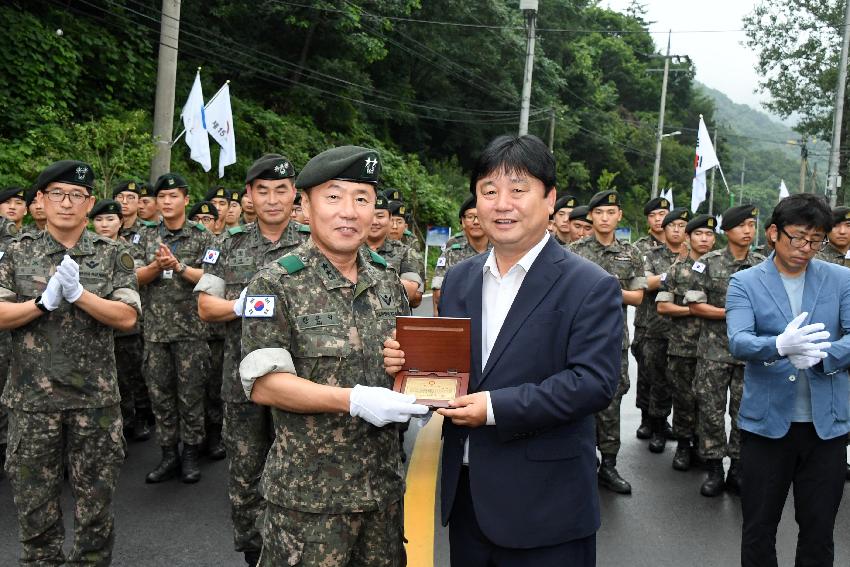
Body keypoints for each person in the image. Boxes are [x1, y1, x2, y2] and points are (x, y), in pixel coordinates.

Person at [386, 134, 622, 565]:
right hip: (468, 500)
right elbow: (452, 369)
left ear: (549, 199)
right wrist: (408, 368)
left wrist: (494, 408)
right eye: (489, 191)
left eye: (518, 189)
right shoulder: (459, 279)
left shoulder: (590, 284)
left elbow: (594, 383)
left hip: (547, 509)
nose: (501, 203)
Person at [240, 145, 426, 566]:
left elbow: (398, 365)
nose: (349, 211)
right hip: (308, 503)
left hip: (382, 495)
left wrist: (415, 383)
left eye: (362, 198)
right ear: (304, 207)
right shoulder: (275, 283)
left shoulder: (388, 284)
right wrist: (353, 399)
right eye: (334, 196)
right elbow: (265, 384)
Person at [0, 160, 140, 565]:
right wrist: (40, 304)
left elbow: (128, 316)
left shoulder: (114, 254)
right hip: (32, 403)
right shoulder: (17, 253)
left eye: (76, 195)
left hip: (93, 403)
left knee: (95, 511)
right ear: (40, 201)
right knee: (34, 510)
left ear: (89, 202)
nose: (66, 203)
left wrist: (81, 296)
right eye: (57, 193)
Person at [196, 153, 309, 567]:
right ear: (249, 196)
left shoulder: (314, 241)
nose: (273, 199)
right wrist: (238, 307)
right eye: (263, 191)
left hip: (300, 381)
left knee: (298, 471)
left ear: (294, 194)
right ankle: (253, 552)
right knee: (245, 473)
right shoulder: (228, 244)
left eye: (282, 190)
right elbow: (206, 307)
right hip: (240, 382)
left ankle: (295, 551)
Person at [726, 193, 850, 567]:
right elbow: (739, 339)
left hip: (825, 428)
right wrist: (778, 346)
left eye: (816, 240)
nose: (806, 248)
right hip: (766, 428)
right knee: (759, 528)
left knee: (818, 529)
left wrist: (823, 356)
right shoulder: (745, 282)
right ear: (774, 234)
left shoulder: (841, 278)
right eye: (798, 237)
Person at [136, 173, 215, 484]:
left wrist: (179, 267)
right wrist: (156, 267)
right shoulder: (144, 236)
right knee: (161, 396)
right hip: (155, 332)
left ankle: (192, 453)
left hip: (192, 332)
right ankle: (168, 453)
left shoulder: (203, 237)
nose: (167, 202)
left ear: (185, 198)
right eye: (162, 197)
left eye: (173, 196)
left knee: (192, 395)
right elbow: (133, 278)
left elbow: (213, 279)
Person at [685, 204, 764, 497]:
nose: (748, 231)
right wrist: (733, 314)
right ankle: (715, 467)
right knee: (710, 410)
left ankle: (739, 468)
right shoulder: (707, 262)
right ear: (728, 230)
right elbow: (694, 304)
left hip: (748, 353)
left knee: (744, 411)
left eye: (752, 226)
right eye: (742, 226)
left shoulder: (761, 264)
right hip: (713, 351)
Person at [572, 189, 646, 495]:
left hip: (615, 338)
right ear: (591, 216)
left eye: (610, 213)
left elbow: (638, 297)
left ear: (619, 217)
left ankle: (610, 464)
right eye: (599, 213)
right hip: (579, 337)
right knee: (576, 397)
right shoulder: (574, 251)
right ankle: (581, 460)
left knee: (612, 397)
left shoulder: (631, 254)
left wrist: (604, 288)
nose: (604, 218)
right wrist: (613, 288)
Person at [655, 214, 717, 471]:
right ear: (688, 238)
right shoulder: (676, 270)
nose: (704, 239)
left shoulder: (718, 268)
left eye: (709, 234)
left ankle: (704, 447)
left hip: (713, 348)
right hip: (682, 346)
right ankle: (683, 445)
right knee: (683, 398)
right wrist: (694, 310)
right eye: (699, 234)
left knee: (708, 401)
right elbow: (663, 306)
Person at [642, 207, 690, 454]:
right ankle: (658, 428)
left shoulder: (698, 257)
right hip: (658, 329)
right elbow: (645, 282)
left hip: (688, 334)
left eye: (683, 226)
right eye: (673, 226)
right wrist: (672, 273)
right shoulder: (652, 254)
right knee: (658, 381)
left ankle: (686, 437)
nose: (677, 230)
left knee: (685, 387)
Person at [112, 181, 155, 441]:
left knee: (136, 369)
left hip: (144, 309)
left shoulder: (148, 232)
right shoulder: (103, 228)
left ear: (140, 202)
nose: (126, 201)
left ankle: (141, 414)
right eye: (121, 196)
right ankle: (125, 416)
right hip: (112, 312)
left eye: (131, 197)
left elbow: (153, 268)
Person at [187, 200, 227, 460]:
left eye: (208, 219)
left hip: (221, 332)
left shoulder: (221, 246)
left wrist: (179, 268)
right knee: (194, 389)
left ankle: (214, 436)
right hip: (195, 330)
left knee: (215, 388)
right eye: (198, 219)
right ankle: (196, 438)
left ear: (217, 222)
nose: (203, 224)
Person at [632, 196, 671, 439]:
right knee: (647, 372)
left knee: (667, 375)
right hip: (647, 320)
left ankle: (661, 419)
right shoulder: (641, 248)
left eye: (663, 214)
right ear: (648, 220)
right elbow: (643, 283)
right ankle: (647, 418)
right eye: (654, 215)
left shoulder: (683, 244)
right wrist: (670, 275)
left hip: (674, 323)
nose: (659, 219)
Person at [431, 194, 490, 315]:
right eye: (470, 217)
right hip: (460, 318)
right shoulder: (451, 254)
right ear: (462, 222)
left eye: (480, 216)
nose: (476, 222)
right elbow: (438, 294)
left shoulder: (502, 252)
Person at [365, 193, 424, 308]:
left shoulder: (405, 252)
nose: (375, 221)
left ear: (389, 218)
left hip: (392, 323)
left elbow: (412, 292)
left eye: (380, 216)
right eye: (370, 216)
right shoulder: (350, 249)